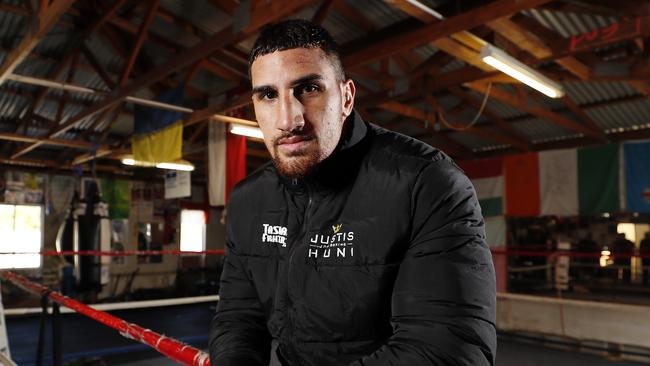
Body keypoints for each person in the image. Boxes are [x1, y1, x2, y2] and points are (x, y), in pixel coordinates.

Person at [209, 19, 496, 366]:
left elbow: (447, 350)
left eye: (309, 89)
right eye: (269, 95)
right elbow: (238, 317)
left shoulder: (427, 183)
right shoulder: (249, 200)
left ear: (346, 97)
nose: (289, 118)